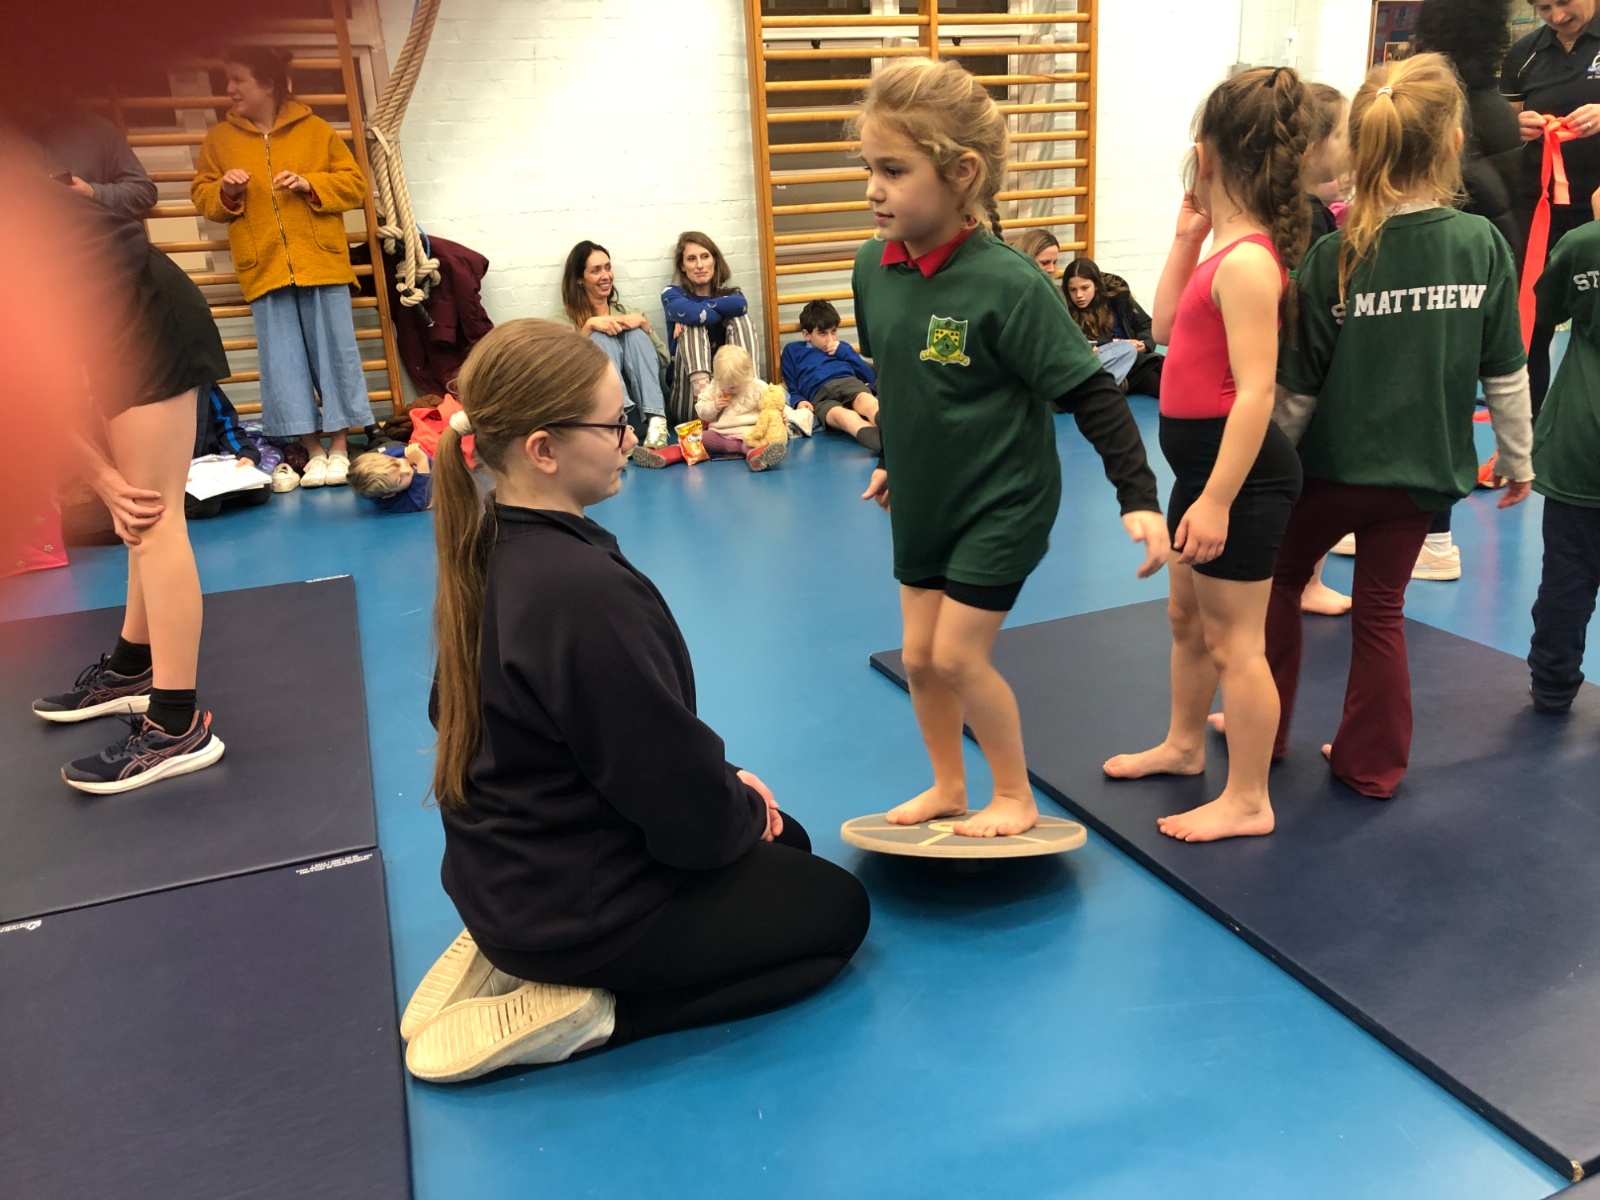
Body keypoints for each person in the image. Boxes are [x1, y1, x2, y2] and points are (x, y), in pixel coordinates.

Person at [403, 319, 868, 1082]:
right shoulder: (581, 590)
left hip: (506, 879)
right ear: (543, 449)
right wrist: (737, 809)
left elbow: (618, 738)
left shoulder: (491, 545)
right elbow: (671, 796)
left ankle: (518, 947)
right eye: (612, 424)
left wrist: (733, 790)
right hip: (571, 910)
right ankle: (594, 1013)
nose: (627, 438)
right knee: (836, 912)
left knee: (782, 842)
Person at [852, 58, 1169, 839]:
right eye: (868, 169)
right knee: (918, 657)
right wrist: (891, 457)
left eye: (894, 170)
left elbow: (1093, 392)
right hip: (924, 499)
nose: (873, 190)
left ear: (961, 173)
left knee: (957, 656)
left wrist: (1138, 498)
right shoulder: (872, 268)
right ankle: (948, 785)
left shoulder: (1011, 285)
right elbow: (903, 376)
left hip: (1003, 501)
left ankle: (1015, 796)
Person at [1271, 55, 1532, 800]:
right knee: (1382, 612)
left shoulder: (1335, 254)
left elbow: (1296, 392)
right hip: (1420, 477)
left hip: (1328, 473)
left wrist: (1263, 473)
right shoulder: (1481, 244)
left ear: (1362, 146)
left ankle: (1266, 725)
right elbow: (1505, 369)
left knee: (1279, 585)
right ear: (1454, 141)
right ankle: (1370, 764)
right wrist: (1519, 459)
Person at [1102, 67, 1313, 845]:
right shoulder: (1222, 249)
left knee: (1235, 644)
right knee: (1186, 621)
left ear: (1206, 155)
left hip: (1241, 478)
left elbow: (1257, 393)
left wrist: (1218, 499)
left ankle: (1249, 799)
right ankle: (1185, 746)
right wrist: (1186, 237)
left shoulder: (1250, 261)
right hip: (1203, 472)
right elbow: (1160, 329)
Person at [28, 161, 229, 793]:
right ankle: (133, 667)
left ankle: (176, 728)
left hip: (141, 310)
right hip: (106, 310)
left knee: (150, 511)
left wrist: (104, 478)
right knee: (140, 517)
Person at [191, 46, 374, 489]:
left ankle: (340, 447)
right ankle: (312, 451)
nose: (229, 89)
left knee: (336, 358)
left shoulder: (316, 130)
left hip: (322, 263)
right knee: (283, 364)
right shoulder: (219, 141)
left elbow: (355, 185)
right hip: (265, 269)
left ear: (268, 84)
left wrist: (311, 183)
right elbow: (203, 197)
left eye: (238, 79)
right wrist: (227, 192)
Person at [1503, 0, 1600, 412]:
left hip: (1597, 210)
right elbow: (1503, 126)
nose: (1558, 16)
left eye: (1564, 1)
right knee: (1532, 325)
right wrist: (1515, 126)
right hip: (1540, 210)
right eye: (1544, 7)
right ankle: (1529, 433)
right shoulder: (1524, 54)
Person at [1526, 183, 1600, 714]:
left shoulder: (1582, 244)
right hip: (1579, 437)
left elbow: (1546, 310)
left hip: (1581, 433)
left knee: (1568, 573)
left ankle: (1553, 684)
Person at [560, 239, 670, 447]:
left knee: (635, 333)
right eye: (596, 270)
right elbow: (561, 378)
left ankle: (658, 421)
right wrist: (587, 330)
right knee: (599, 337)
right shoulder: (563, 321)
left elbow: (664, 360)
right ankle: (619, 424)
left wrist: (645, 326)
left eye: (608, 268)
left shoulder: (629, 312)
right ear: (580, 279)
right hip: (602, 421)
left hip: (643, 415)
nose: (605, 276)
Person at [630, 345, 787, 472]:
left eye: (734, 387)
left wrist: (782, 417)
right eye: (725, 386)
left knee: (752, 445)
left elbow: (774, 406)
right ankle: (663, 456)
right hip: (718, 435)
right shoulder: (715, 386)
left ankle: (758, 458)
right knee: (691, 440)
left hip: (748, 435)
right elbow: (701, 410)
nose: (729, 390)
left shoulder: (759, 387)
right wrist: (714, 406)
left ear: (748, 376)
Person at [660, 231, 760, 424]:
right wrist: (718, 311)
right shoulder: (672, 294)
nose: (699, 265)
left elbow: (741, 305)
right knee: (693, 325)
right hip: (691, 400)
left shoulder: (733, 295)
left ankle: (751, 390)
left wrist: (695, 311)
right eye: (691, 259)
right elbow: (694, 315)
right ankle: (704, 402)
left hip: (732, 396)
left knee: (741, 319)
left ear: (714, 260)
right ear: (682, 266)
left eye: (705, 256)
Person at [780, 300, 881, 453]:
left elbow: (869, 376)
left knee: (865, 400)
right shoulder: (792, 350)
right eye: (822, 333)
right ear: (807, 334)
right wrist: (798, 400)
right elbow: (791, 384)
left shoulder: (842, 347)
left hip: (847, 381)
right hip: (818, 395)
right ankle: (881, 443)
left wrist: (845, 352)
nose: (830, 339)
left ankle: (895, 433)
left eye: (833, 331)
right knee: (842, 417)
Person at [1062, 257, 1163, 398]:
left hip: (1132, 359)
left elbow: (1146, 324)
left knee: (1164, 369)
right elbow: (1075, 346)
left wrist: (1144, 344)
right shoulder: (1064, 309)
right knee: (1151, 372)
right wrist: (1113, 342)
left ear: (1096, 285)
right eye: (1072, 290)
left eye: (1085, 288)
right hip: (1101, 364)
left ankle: (1121, 382)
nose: (1079, 295)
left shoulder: (1117, 298)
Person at [349, 441, 433, 512]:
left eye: (399, 464)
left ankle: (376, 436)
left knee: (379, 442)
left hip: (389, 446)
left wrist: (415, 450)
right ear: (390, 494)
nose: (407, 471)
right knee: (354, 455)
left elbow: (430, 462)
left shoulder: (394, 455)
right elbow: (422, 501)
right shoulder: (392, 502)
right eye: (400, 479)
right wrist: (422, 462)